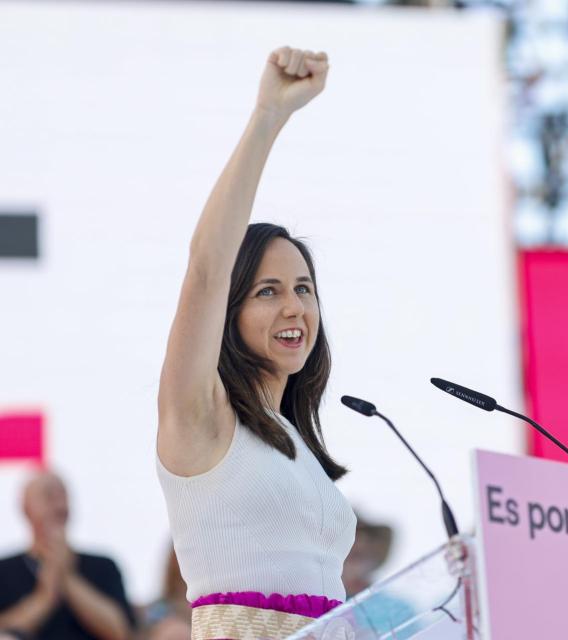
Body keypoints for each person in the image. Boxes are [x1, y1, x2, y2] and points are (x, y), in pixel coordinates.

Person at [155, 45, 356, 639]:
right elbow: (206, 268)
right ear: (229, 309)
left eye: (303, 288)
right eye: (268, 291)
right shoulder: (200, 416)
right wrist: (270, 115)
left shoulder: (294, 442)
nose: (295, 305)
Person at [0, 472, 135, 640]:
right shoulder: (4, 571)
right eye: (48, 495)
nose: (58, 504)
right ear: (25, 508)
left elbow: (121, 631)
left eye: (63, 494)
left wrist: (67, 577)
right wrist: (45, 597)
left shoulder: (103, 566)